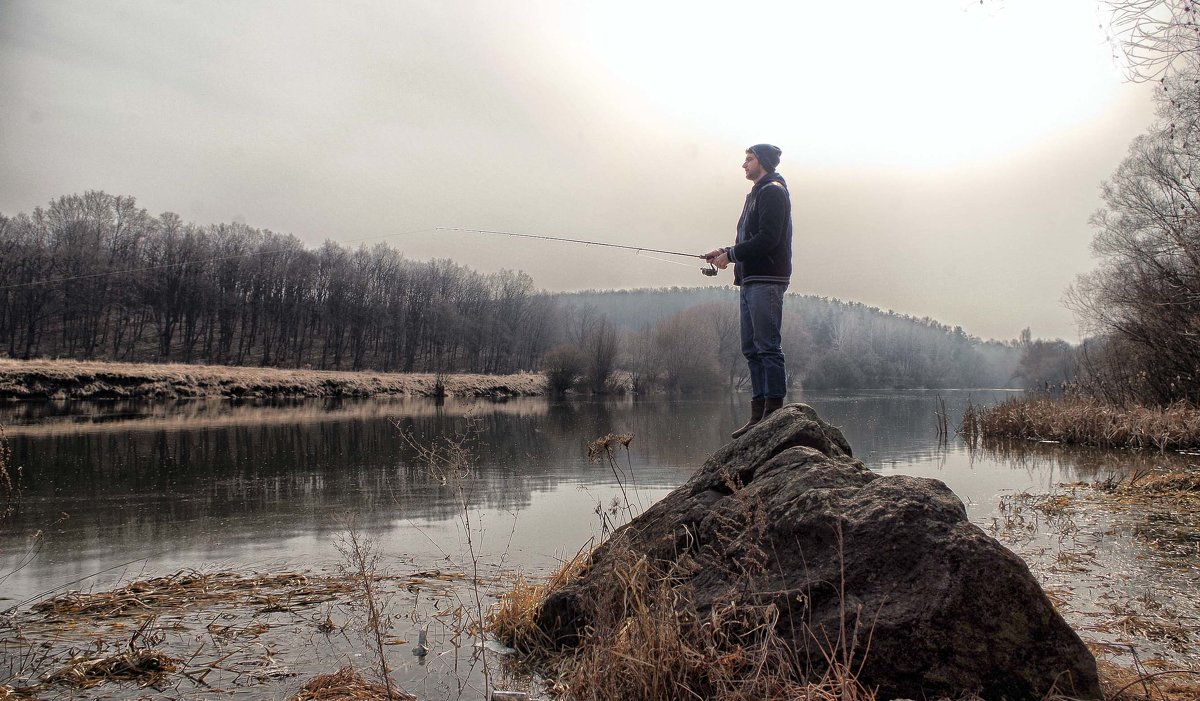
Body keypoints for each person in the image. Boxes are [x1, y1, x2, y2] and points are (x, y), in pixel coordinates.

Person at [706, 144, 793, 438]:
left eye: (749, 158)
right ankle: (758, 415)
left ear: (763, 162)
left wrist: (731, 256)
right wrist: (725, 251)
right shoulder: (756, 194)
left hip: (767, 278)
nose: (744, 164)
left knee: (768, 346)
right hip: (750, 279)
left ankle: (774, 413)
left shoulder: (773, 191)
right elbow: (749, 239)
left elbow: (768, 239)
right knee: (750, 348)